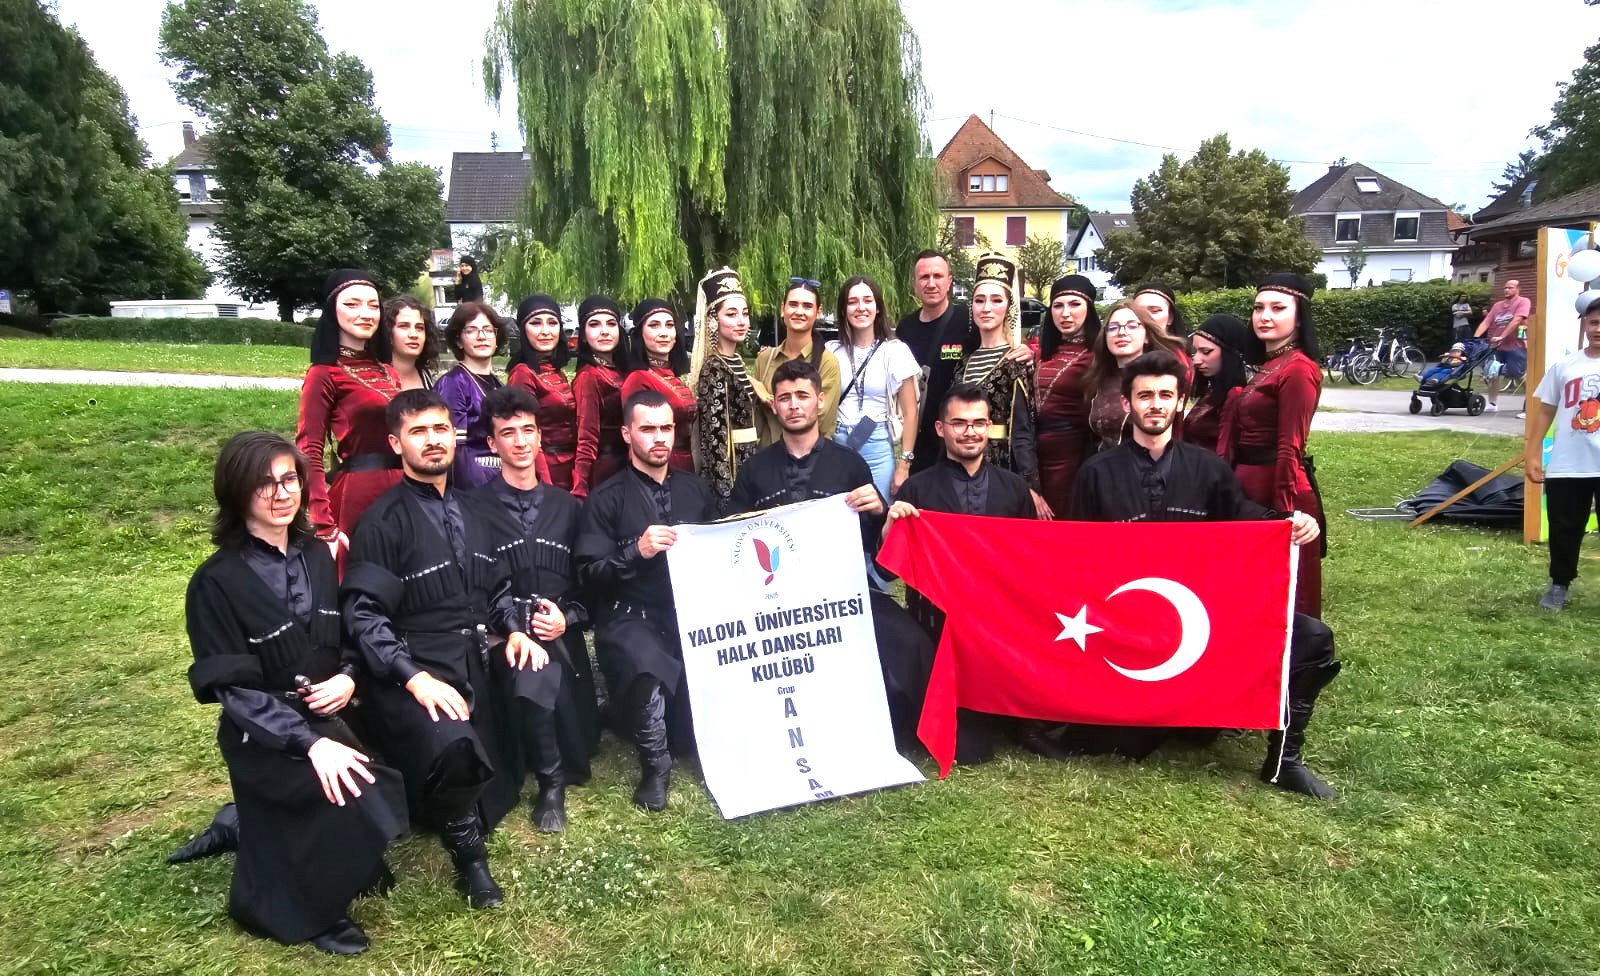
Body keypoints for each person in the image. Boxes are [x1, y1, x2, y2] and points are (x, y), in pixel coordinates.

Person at [1068, 350, 1341, 799]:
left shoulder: (1208, 469)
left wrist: (1288, 523)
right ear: (1128, 403)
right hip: (1124, 624)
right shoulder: (1095, 473)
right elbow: (1072, 555)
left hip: (1201, 618)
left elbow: (1245, 517)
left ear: (1180, 402)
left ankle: (1284, 762)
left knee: (1313, 638)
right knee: (1118, 741)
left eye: (1165, 395)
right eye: (1145, 396)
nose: (1155, 405)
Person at [185, 431, 405, 954]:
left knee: (387, 779)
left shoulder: (317, 556)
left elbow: (348, 636)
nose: (282, 493)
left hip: (329, 712)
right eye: (265, 483)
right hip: (263, 732)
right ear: (236, 492)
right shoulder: (214, 583)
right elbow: (234, 691)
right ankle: (304, 908)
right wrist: (310, 744)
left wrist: (348, 675)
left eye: (290, 480)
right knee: (339, 784)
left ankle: (246, 827)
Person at [341, 389, 550, 909]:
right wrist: (414, 678)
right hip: (415, 670)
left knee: (539, 680)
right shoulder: (381, 522)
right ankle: (471, 863)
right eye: (418, 432)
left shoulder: (474, 510)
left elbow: (498, 587)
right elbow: (364, 615)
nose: (433, 441)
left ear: (454, 437)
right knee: (454, 749)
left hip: (475, 659)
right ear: (396, 443)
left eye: (440, 429)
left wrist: (515, 629)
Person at [727, 358, 933, 746]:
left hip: (843, 594)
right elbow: (732, 540)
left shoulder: (849, 465)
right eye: (784, 398)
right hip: (776, 605)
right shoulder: (755, 470)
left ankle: (908, 730)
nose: (794, 405)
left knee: (911, 642)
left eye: (802, 395)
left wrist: (880, 512)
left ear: (820, 401)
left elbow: (877, 552)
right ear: (774, 406)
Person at [883, 382, 1054, 764]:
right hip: (938, 624)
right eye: (959, 423)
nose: (969, 432)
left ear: (990, 427)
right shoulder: (916, 489)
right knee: (970, 748)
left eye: (978, 423)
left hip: (1001, 623)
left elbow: (1032, 561)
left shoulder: (1014, 489)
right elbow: (889, 568)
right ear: (940, 428)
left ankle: (1023, 721)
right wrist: (891, 526)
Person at [575, 389, 719, 810]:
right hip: (628, 616)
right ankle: (656, 766)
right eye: (648, 429)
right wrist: (634, 551)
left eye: (666, 428)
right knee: (645, 664)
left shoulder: (696, 490)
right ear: (627, 434)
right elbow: (589, 574)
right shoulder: (605, 499)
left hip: (687, 613)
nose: (659, 438)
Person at [476, 386, 594, 830]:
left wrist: (568, 618)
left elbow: (589, 582)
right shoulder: (473, 509)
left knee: (576, 729)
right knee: (529, 670)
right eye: (508, 433)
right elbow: (476, 585)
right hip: (505, 639)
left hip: (560, 635)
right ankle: (550, 783)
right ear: (492, 444)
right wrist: (512, 628)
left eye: (528, 430)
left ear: (540, 437)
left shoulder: (568, 507)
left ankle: (560, 763)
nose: (521, 441)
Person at [1219, 272, 1326, 618]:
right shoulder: (1268, 366)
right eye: (1258, 308)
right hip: (1249, 484)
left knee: (1286, 589)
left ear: (1299, 317)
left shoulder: (1298, 369)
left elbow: (1290, 444)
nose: (1264, 316)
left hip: (1279, 485)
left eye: (1278, 308)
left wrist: (1284, 512)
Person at [296, 269, 402, 553]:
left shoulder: (388, 371)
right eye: (352, 304)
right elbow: (309, 449)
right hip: (360, 492)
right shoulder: (324, 374)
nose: (366, 314)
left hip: (405, 489)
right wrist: (322, 521)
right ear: (333, 310)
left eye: (373, 305)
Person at [957, 252, 1047, 516]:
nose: (986, 308)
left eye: (996, 300)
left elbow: (1023, 430)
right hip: (961, 462)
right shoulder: (963, 362)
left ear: (1009, 306)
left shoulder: (1016, 360)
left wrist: (1030, 485)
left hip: (1000, 466)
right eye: (979, 300)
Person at [1526, 298, 1600, 610]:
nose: (1598, 329)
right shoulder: (1565, 366)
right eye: (1594, 322)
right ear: (1584, 325)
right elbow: (1545, 410)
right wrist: (1532, 453)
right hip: (1569, 462)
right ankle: (1559, 584)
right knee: (1564, 528)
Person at [827, 275, 922, 501]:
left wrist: (904, 465)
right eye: (852, 302)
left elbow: (911, 413)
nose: (861, 307)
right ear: (843, 310)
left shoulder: (895, 351)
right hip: (837, 443)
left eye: (868, 300)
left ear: (878, 307)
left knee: (879, 512)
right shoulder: (831, 351)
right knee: (841, 512)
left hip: (876, 443)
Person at [689, 267, 760, 508]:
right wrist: (726, 496)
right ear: (713, 320)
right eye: (731, 314)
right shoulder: (713, 368)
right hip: (730, 471)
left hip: (749, 461)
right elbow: (714, 440)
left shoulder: (736, 361)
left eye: (745, 314)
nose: (741, 321)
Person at [896, 250, 971, 475]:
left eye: (937, 276)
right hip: (917, 440)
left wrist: (1018, 350)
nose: (931, 283)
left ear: (949, 281)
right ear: (914, 284)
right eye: (924, 277)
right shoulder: (905, 328)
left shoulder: (968, 322)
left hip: (957, 438)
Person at [1034, 274, 1101, 516]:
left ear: (1089, 309)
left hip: (1073, 455)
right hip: (1034, 452)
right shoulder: (1040, 353)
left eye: (1074, 304)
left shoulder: (1099, 355)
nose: (1065, 313)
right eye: (1058, 305)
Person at [1082, 300, 1187, 451]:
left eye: (1132, 326)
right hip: (1102, 462)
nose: (1121, 332)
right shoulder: (1097, 378)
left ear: (1147, 336)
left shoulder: (1164, 378)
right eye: (1113, 327)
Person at [753, 277, 841, 446]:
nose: (799, 311)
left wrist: (769, 399)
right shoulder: (765, 359)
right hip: (767, 454)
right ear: (782, 309)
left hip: (810, 456)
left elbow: (818, 418)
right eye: (793, 304)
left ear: (818, 312)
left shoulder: (827, 362)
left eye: (807, 306)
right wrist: (749, 381)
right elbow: (754, 418)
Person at [507, 294, 578, 490]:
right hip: (547, 471)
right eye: (536, 323)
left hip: (569, 468)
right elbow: (525, 436)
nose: (546, 331)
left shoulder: (555, 370)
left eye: (552, 323)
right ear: (523, 329)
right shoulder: (523, 374)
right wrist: (546, 487)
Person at [434, 301, 508, 490]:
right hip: (473, 484)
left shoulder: (498, 383)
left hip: (506, 478)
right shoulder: (453, 383)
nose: (481, 336)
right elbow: (453, 448)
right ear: (459, 340)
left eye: (488, 330)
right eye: (471, 330)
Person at [620, 298, 697, 473]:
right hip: (659, 467)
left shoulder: (672, 376)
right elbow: (636, 439)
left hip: (687, 465)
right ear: (640, 333)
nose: (664, 333)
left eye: (669, 325)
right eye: (654, 325)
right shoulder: (638, 379)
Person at [572, 295, 629, 498]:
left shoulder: (621, 371)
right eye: (594, 324)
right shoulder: (589, 376)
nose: (604, 331)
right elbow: (586, 437)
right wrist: (580, 489)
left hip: (628, 465)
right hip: (605, 470)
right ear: (583, 335)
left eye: (611, 324)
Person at [1184, 313, 1252, 454]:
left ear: (1230, 354)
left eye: (1206, 352)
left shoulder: (1235, 395)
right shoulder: (1213, 392)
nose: (1196, 360)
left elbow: (1225, 453)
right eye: (1195, 352)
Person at [1473, 278, 1531, 412]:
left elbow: (1517, 320)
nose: (1506, 290)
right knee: (1493, 372)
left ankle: (1530, 405)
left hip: (1516, 344)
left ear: (1518, 289)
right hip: (1497, 346)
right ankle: (1492, 404)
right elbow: (1486, 322)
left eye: (1510, 288)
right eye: (1505, 287)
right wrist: (1475, 338)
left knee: (1518, 374)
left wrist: (1502, 336)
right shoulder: (1497, 306)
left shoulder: (1523, 301)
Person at [372, 296, 441, 391]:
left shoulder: (425, 375)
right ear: (387, 331)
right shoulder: (373, 378)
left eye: (419, 328)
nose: (414, 335)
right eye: (404, 326)